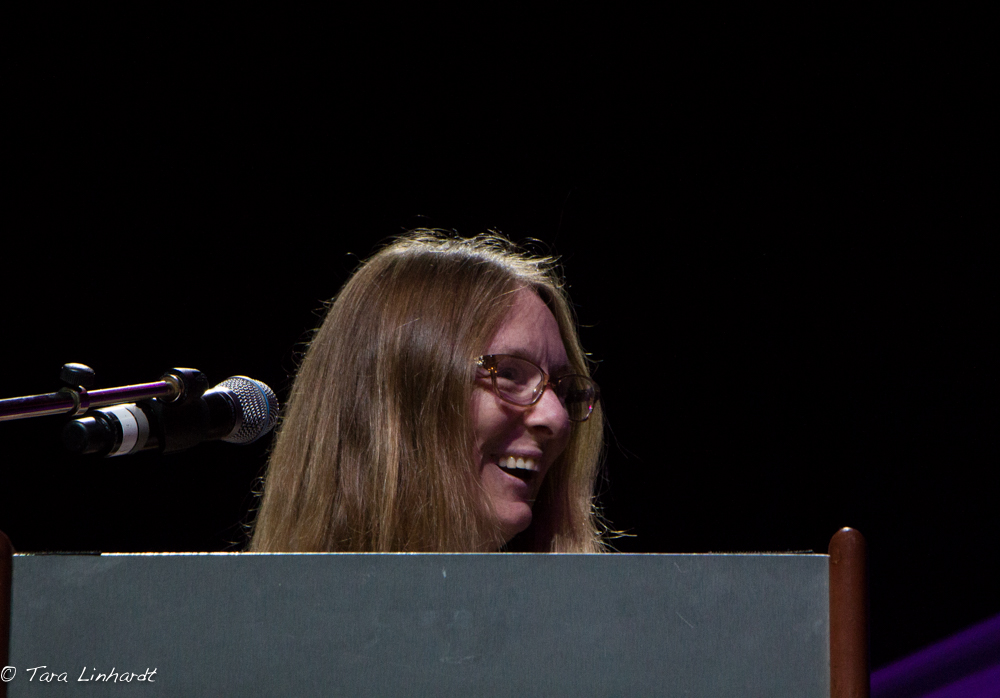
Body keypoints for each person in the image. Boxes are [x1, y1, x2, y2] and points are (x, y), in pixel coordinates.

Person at [250, 231, 605, 552]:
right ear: (402, 399)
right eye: (510, 374)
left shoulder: (583, 606)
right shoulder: (263, 606)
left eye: (562, 391)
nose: (556, 418)